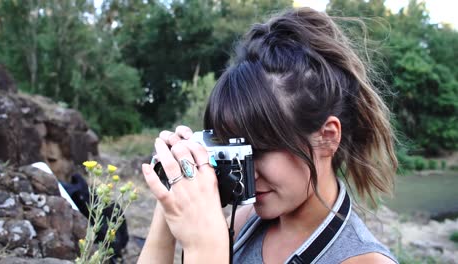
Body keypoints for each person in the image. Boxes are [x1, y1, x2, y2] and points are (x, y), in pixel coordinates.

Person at [138, 7, 398, 264]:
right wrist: (169, 200)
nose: (247, 173)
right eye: (236, 151)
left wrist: (205, 249)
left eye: (259, 151)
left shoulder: (362, 260)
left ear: (327, 138)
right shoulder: (245, 222)